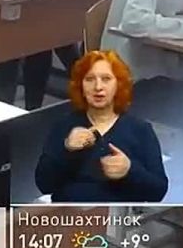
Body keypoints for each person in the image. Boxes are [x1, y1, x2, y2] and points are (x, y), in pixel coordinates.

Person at [35, 50, 167, 202]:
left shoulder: (141, 130)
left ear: (118, 84)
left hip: (117, 215)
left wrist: (130, 171)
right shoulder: (64, 126)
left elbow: (158, 192)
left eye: (106, 79)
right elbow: (44, 185)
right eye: (90, 79)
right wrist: (67, 150)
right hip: (70, 213)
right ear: (80, 86)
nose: (98, 87)